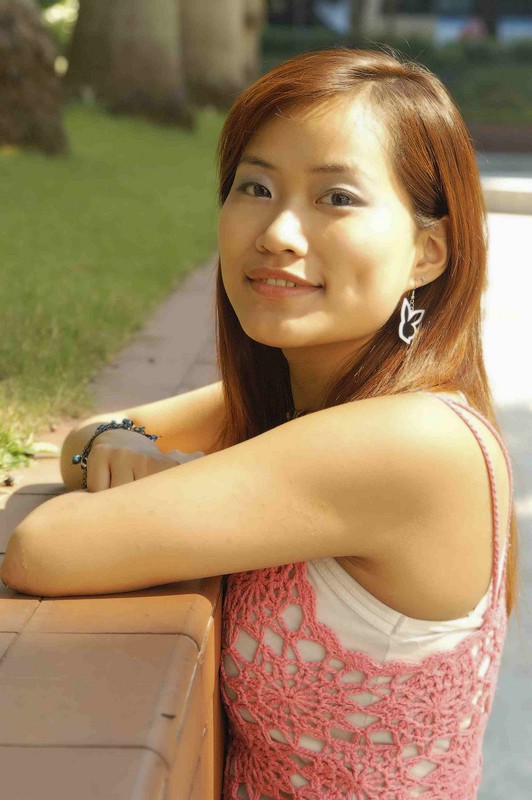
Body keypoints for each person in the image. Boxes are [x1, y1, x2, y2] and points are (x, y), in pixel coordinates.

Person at [1, 47, 518, 798]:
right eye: (255, 186)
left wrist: (153, 470)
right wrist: (123, 447)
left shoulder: (411, 442)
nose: (278, 231)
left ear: (427, 253)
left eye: (336, 197)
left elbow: (45, 549)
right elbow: (90, 437)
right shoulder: (305, 395)